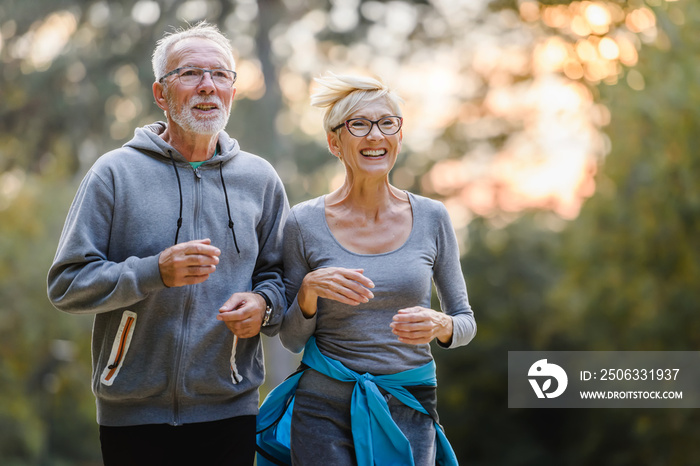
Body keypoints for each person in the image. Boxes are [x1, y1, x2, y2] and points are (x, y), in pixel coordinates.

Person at [47, 22, 289, 466]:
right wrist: (152, 272)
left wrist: (264, 306)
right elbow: (66, 284)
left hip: (230, 406)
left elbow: (282, 277)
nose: (207, 87)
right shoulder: (114, 173)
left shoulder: (260, 179)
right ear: (161, 94)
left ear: (233, 90)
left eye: (220, 75)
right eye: (191, 73)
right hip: (132, 413)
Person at [256, 73, 477, 465]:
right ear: (334, 142)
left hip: (410, 402)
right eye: (358, 124)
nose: (375, 135)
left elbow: (465, 321)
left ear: (399, 136)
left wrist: (442, 326)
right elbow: (289, 338)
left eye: (386, 122)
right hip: (323, 406)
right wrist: (308, 291)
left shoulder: (433, 217)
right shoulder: (303, 223)